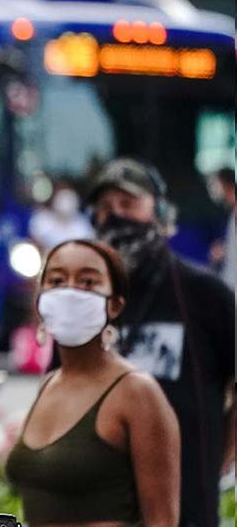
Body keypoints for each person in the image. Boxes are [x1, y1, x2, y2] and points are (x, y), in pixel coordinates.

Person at [88, 157, 235, 527]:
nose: (116, 216)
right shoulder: (85, 300)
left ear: (161, 212)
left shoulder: (205, 294)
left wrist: (222, 458)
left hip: (188, 508)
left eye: (128, 204)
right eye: (105, 208)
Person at [6, 239, 180, 526]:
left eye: (88, 282)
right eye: (57, 280)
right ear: (40, 299)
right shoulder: (48, 384)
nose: (70, 291)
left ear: (114, 305)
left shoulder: (137, 392)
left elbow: (162, 519)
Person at [28, 178, 93, 253]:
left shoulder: (84, 223)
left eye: (68, 192)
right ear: (54, 196)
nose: (65, 198)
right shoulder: (40, 219)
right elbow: (34, 244)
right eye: (61, 192)